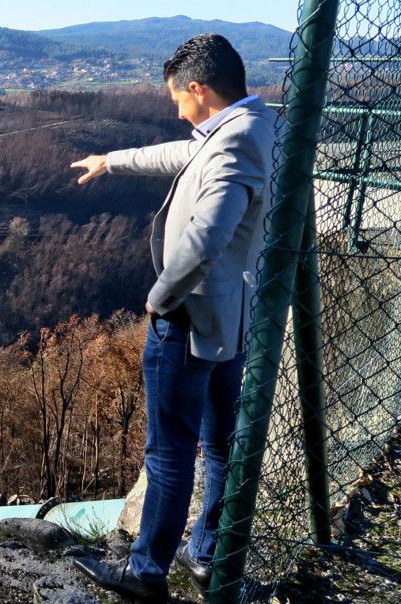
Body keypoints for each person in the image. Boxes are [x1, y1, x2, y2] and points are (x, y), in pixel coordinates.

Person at [68, 34, 276, 602]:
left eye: (176, 98)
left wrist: (162, 295)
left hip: (188, 320)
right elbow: (178, 155)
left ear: (198, 89)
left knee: (168, 451)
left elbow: (208, 235)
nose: (173, 108)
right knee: (219, 445)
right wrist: (110, 162)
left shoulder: (232, 146)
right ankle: (207, 553)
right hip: (229, 319)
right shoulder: (248, 128)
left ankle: (145, 574)